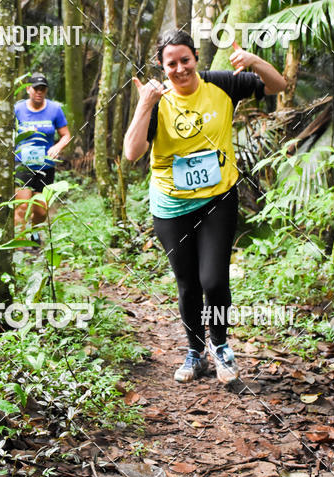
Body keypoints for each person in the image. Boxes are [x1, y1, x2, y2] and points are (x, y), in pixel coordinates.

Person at [123, 30, 286, 384]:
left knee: (213, 279)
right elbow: (132, 152)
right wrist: (143, 104)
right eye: (171, 64)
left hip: (217, 198)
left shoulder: (222, 83)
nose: (180, 69)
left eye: (186, 60)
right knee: (187, 283)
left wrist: (254, 62)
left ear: (196, 57)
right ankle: (194, 352)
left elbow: (279, 85)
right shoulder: (157, 100)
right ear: (161, 66)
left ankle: (221, 346)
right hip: (171, 204)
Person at [14, 72, 71, 240]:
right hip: (22, 164)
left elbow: (66, 135)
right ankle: (20, 241)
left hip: (45, 166)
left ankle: (35, 231)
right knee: (23, 205)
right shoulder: (18, 109)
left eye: (43, 89)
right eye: (36, 89)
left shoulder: (55, 109)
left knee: (41, 209)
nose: (39, 92)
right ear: (29, 90)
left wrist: (58, 146)